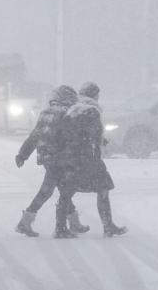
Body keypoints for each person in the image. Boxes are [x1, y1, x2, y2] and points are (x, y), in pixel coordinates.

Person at [15, 85, 89, 238]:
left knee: (63, 191)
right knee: (49, 191)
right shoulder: (65, 114)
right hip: (59, 159)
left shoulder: (46, 113)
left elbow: (35, 136)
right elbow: (70, 139)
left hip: (48, 158)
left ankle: (73, 222)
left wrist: (23, 154)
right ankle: (25, 222)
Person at [58, 82, 127, 238]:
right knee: (103, 189)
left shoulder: (73, 109)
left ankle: (60, 226)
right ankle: (108, 225)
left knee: (68, 191)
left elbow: (72, 133)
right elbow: (92, 136)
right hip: (88, 158)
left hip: (71, 157)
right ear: (95, 95)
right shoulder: (91, 111)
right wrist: (99, 150)